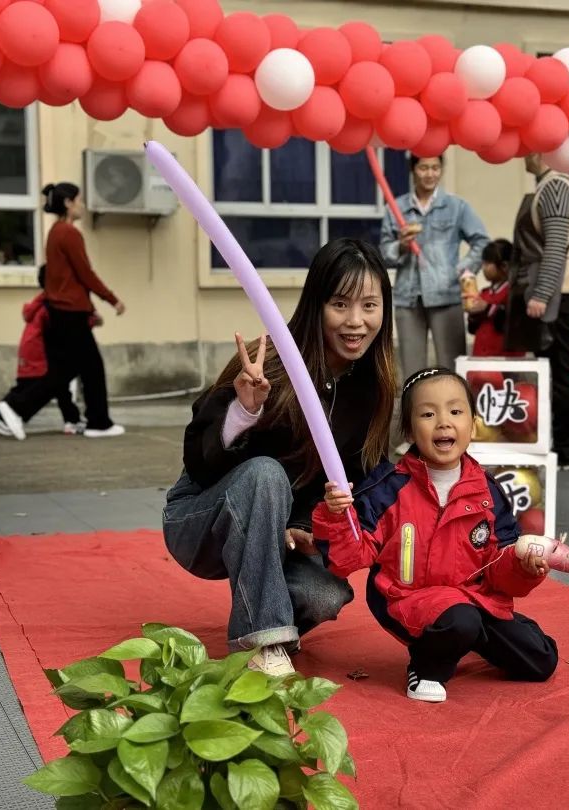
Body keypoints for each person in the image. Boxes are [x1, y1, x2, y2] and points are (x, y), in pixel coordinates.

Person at [162, 239, 397, 676]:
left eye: (369, 305)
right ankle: (264, 639)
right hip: (200, 520)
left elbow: (357, 478)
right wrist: (243, 411)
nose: (356, 321)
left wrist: (309, 526)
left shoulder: (372, 386)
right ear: (316, 305)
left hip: (282, 535)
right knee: (266, 475)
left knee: (325, 596)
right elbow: (199, 460)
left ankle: (261, 623)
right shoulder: (268, 362)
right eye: (340, 304)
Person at [314, 367, 558, 703]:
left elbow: (499, 571)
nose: (443, 422)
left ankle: (470, 635)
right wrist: (337, 515)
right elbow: (346, 560)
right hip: (405, 599)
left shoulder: (489, 492)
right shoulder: (388, 488)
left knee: (541, 660)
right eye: (428, 414)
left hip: (473, 599)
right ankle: (425, 665)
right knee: (462, 620)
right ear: (410, 430)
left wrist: (523, 568)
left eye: (456, 412)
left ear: (472, 425)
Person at [0, 183, 126, 440]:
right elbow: (85, 274)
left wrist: (90, 310)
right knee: (85, 368)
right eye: (79, 200)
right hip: (69, 313)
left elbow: (69, 280)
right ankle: (95, 421)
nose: (82, 206)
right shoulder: (68, 233)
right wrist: (112, 300)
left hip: (63, 311)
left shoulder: (55, 232)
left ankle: (12, 410)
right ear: (68, 203)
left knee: (69, 369)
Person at [506, 153, 569, 470]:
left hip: (560, 291)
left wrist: (542, 293)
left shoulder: (555, 186)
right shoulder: (548, 184)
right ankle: (562, 445)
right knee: (553, 371)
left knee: (560, 372)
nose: (521, 155)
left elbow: (556, 247)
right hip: (557, 288)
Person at [379, 153, 489, 378]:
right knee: (412, 372)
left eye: (435, 168)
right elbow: (385, 254)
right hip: (408, 298)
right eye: (424, 168)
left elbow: (482, 241)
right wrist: (401, 245)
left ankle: (455, 412)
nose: (430, 174)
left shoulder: (456, 207)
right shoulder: (396, 208)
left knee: (452, 368)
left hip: (446, 296)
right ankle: (415, 413)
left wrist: (461, 270)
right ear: (413, 170)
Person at [0, 264, 94, 438]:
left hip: (33, 349)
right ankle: (6, 412)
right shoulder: (56, 303)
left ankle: (71, 420)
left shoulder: (44, 300)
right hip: (41, 351)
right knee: (47, 383)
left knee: (55, 383)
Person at [464, 238, 513, 357]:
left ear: (504, 266)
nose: (483, 267)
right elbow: (472, 330)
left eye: (487, 263)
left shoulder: (512, 293)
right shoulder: (483, 293)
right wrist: (472, 314)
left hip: (505, 360)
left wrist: (487, 308)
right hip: (480, 357)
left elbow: (508, 323)